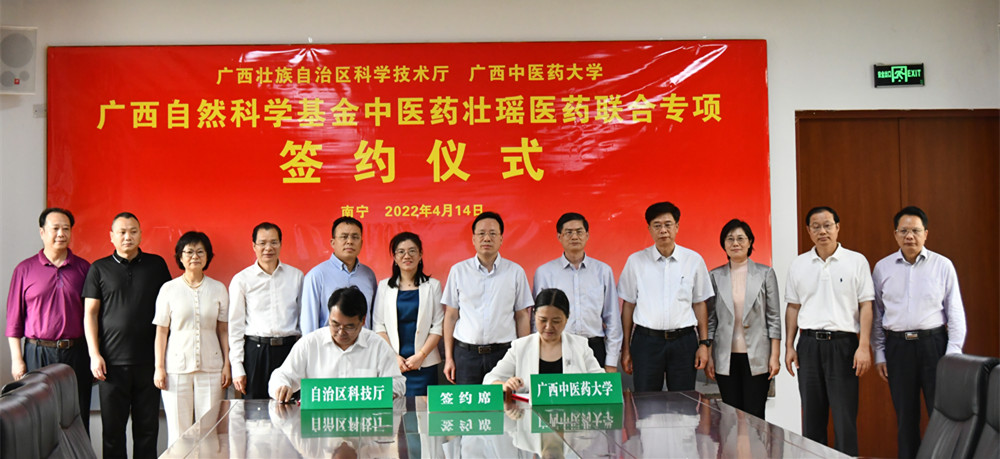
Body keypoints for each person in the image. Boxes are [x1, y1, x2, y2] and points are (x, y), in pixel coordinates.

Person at [872, 206, 966, 459]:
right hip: (898, 348)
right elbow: (877, 315)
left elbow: (955, 312)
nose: (909, 236)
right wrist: (879, 353)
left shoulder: (942, 265)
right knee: (905, 417)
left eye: (915, 230)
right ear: (895, 234)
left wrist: (953, 354)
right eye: (903, 231)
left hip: (934, 345)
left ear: (926, 233)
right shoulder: (882, 268)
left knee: (942, 415)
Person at [784, 206, 874, 456]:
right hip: (808, 345)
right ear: (808, 231)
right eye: (816, 227)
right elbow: (793, 307)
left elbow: (866, 305)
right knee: (812, 417)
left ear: (837, 227)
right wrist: (789, 346)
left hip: (843, 345)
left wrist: (863, 346)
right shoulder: (799, 264)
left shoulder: (856, 261)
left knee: (845, 418)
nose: (822, 231)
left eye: (827, 225)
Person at [82, 212, 172, 457]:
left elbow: (169, 311)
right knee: (113, 433)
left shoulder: (156, 265)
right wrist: (94, 355)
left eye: (133, 231)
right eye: (122, 232)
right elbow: (90, 314)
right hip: (111, 365)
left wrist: (163, 360)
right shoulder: (99, 268)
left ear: (141, 234)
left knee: (147, 430)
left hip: (149, 363)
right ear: (112, 236)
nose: (127, 237)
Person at [6, 207, 93, 431]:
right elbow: (14, 320)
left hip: (76, 352)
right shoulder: (24, 269)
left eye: (66, 229)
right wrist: (17, 359)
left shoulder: (84, 268)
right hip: (37, 352)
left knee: (77, 413)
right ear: (42, 232)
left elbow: (93, 316)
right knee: (38, 415)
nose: (61, 234)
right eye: (55, 228)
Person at [618, 202, 713, 392]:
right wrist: (626, 348)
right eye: (657, 225)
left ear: (677, 227)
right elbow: (628, 306)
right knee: (645, 400)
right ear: (649, 229)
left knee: (684, 400)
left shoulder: (693, 260)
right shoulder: (635, 261)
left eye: (668, 224)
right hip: (646, 341)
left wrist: (704, 344)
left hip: (683, 342)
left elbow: (699, 304)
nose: (663, 230)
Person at [153, 231, 232, 445]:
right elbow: (161, 332)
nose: (194, 256)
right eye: (189, 252)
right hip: (176, 370)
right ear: (180, 256)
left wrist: (227, 364)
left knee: (209, 433)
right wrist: (159, 367)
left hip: (212, 368)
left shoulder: (218, 289)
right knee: (179, 434)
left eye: (200, 252)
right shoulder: (168, 289)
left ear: (208, 256)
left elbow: (224, 330)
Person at [442, 211, 533, 385]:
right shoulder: (458, 271)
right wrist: (448, 357)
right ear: (473, 239)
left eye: (492, 233)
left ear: (501, 239)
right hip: (466, 355)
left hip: (504, 354)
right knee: (468, 401)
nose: (487, 238)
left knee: (505, 401)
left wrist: (522, 357)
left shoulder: (515, 272)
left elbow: (522, 316)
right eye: (481, 233)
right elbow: (451, 316)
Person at [269, 286, 405, 401]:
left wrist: (374, 391)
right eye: (335, 324)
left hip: (364, 420)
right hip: (320, 422)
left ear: (363, 321)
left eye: (349, 327)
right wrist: (282, 387)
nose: (341, 332)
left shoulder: (378, 346)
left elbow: (398, 384)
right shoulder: (310, 344)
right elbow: (281, 376)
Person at [704, 219, 781, 419]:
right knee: (730, 415)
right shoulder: (715, 276)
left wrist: (774, 356)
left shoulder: (765, 274)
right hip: (725, 355)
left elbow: (774, 317)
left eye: (740, 238)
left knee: (755, 414)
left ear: (750, 242)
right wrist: (710, 355)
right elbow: (711, 320)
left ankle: (757, 443)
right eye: (730, 239)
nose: (735, 243)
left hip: (757, 354)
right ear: (723, 244)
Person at [533, 212, 622, 372]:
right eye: (568, 232)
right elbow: (537, 320)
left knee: (593, 389)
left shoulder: (602, 271)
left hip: (594, 347)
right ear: (559, 236)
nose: (574, 236)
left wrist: (611, 361)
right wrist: (536, 355)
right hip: (556, 346)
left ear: (587, 235)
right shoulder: (545, 272)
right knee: (558, 388)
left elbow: (612, 318)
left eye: (579, 232)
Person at [228, 222, 304, 399]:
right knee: (254, 410)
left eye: (274, 242)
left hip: (289, 351)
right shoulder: (241, 280)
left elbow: (303, 320)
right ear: (253, 246)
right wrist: (237, 366)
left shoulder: (296, 276)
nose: (268, 248)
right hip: (256, 353)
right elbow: (235, 326)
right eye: (262, 243)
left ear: (281, 244)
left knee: (289, 407)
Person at [484, 288, 603, 395]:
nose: (548, 327)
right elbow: (489, 380)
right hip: (529, 411)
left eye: (556, 321)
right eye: (542, 320)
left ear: (567, 318)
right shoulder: (520, 347)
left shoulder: (580, 346)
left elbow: (602, 382)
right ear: (534, 315)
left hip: (571, 411)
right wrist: (506, 385)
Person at [372, 232, 444, 396]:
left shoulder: (433, 286)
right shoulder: (384, 287)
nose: (407, 256)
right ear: (394, 257)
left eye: (412, 251)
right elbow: (379, 326)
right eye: (401, 252)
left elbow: (437, 326)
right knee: (394, 407)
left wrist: (421, 356)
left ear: (420, 254)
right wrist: (394, 357)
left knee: (423, 409)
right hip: (393, 363)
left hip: (424, 363)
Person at [301, 216, 377, 334]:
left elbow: (373, 319)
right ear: (333, 242)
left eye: (355, 237)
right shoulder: (316, 276)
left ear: (361, 243)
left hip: (363, 343)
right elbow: (308, 325)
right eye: (344, 237)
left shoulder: (369, 275)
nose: (350, 241)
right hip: (329, 344)